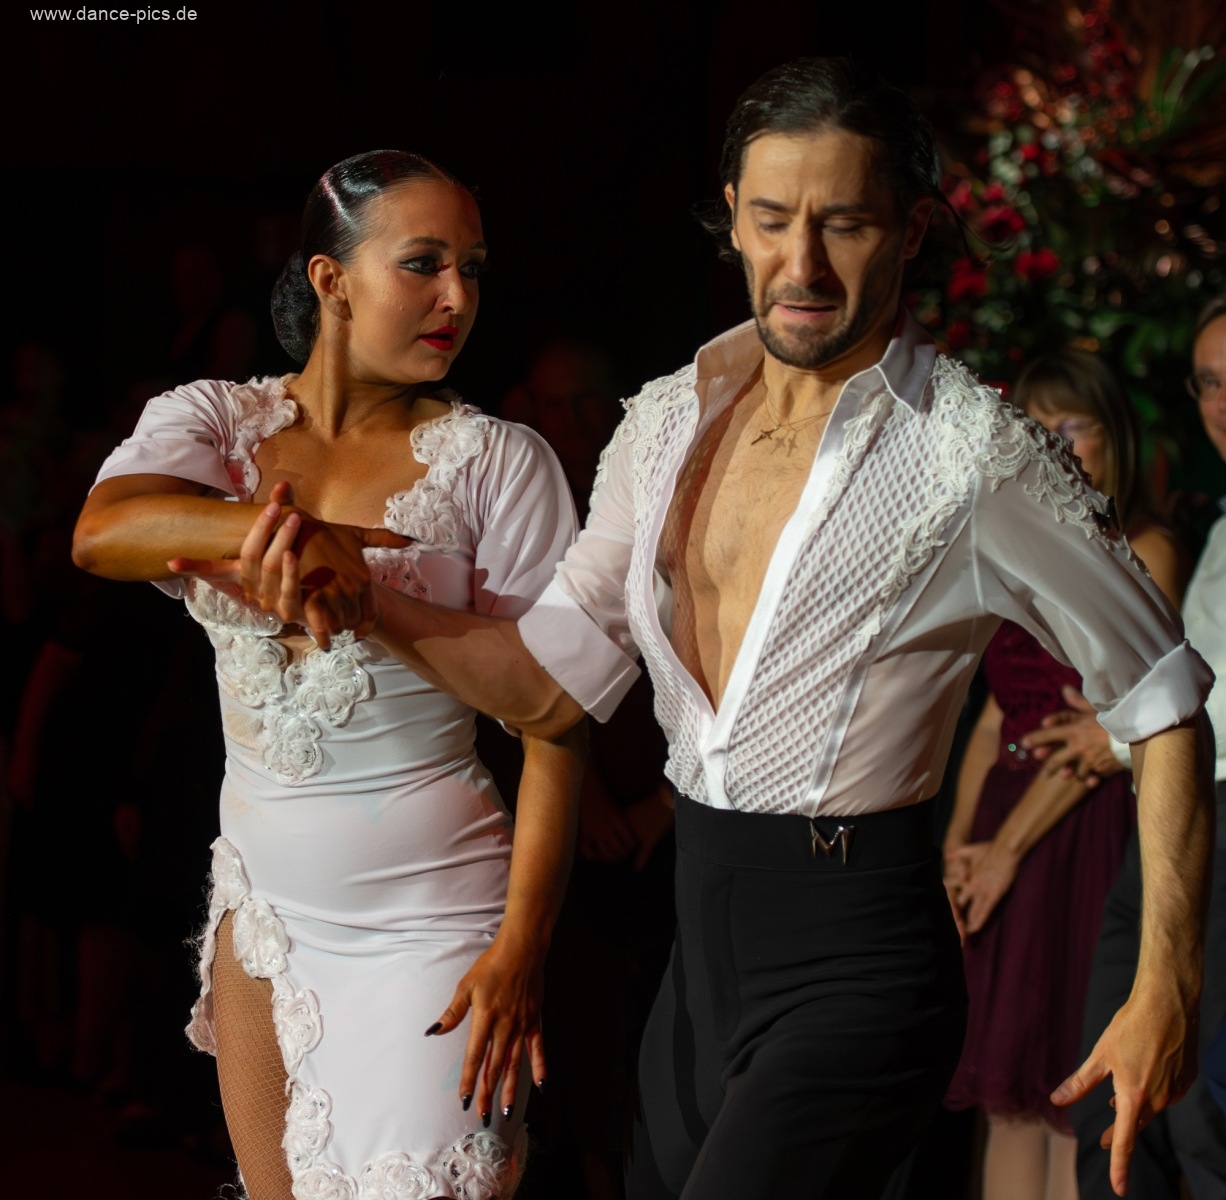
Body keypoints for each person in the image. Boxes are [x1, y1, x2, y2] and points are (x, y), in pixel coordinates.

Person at [200, 62, 1215, 1200]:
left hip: (858, 956)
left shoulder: (976, 453)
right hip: (696, 955)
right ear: (731, 216)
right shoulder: (665, 421)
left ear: (914, 230)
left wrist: (1164, 984)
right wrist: (362, 596)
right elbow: (545, 686)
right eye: (773, 220)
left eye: (844, 224)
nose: (802, 265)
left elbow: (1165, 701)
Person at [72, 151, 585, 1200]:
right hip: (264, 917)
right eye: (424, 263)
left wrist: (524, 945)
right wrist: (293, 541)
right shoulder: (219, 424)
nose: (457, 297)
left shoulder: (500, 462)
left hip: (437, 924)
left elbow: (556, 715)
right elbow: (102, 532)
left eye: (473, 269)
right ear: (330, 279)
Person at [942, 350, 1189, 1200]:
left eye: (1072, 425)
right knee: (1004, 1098)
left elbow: (1119, 728)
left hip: (1082, 826)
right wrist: (960, 847)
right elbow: (992, 717)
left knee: (1063, 1090)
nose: (1053, 442)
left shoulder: (1142, 547)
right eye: (1036, 425)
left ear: (1113, 435)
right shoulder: (1013, 551)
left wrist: (1004, 851)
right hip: (1005, 815)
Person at [1025, 297, 1226, 1199]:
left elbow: (1191, 699)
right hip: (1168, 820)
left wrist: (1113, 735)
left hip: (1198, 813)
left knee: (1195, 1106)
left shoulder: (1168, 542)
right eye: (1209, 382)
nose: (1222, 401)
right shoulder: (1216, 530)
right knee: (1109, 1103)